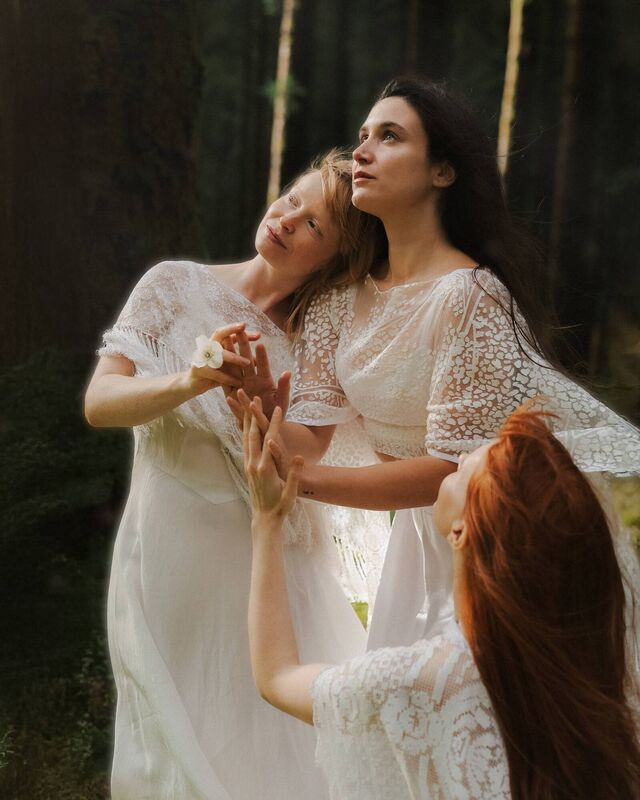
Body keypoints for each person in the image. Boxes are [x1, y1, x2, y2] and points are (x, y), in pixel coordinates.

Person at [233, 77, 640, 652]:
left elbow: (447, 467)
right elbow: (308, 440)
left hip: (507, 532)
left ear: (442, 172)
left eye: (390, 136)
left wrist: (299, 484)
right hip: (421, 536)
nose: (363, 151)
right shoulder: (338, 301)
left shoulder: (470, 295)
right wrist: (259, 404)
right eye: (363, 135)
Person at [84, 150, 387, 799]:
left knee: (263, 749)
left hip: (262, 565)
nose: (287, 218)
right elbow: (101, 402)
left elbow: (307, 453)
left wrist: (261, 404)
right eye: (293, 199)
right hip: (163, 548)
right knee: (168, 739)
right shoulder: (173, 285)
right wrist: (191, 380)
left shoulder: (317, 342)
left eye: (314, 225)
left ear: (335, 261)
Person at [244, 405, 640, 800]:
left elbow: (276, 677)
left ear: (463, 529)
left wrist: (267, 519)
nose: (460, 457)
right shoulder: (597, 679)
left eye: (465, 469)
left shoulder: (420, 682)